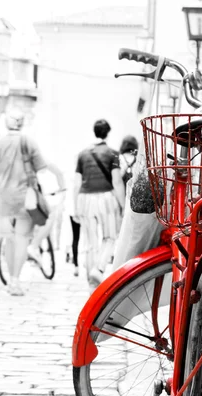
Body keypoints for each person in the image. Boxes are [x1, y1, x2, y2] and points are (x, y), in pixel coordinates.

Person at [0, 108, 65, 296]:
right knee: (22, 239)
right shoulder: (28, 141)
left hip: (4, 199)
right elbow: (42, 169)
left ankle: (8, 280)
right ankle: (14, 281)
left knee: (8, 239)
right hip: (25, 198)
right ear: (22, 123)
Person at [74, 119, 125, 292]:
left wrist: (76, 206)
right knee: (110, 237)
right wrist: (123, 204)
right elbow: (117, 181)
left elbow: (77, 182)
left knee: (89, 241)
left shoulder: (82, 154)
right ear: (107, 133)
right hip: (106, 198)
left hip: (85, 198)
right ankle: (99, 268)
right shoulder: (113, 154)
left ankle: (90, 281)